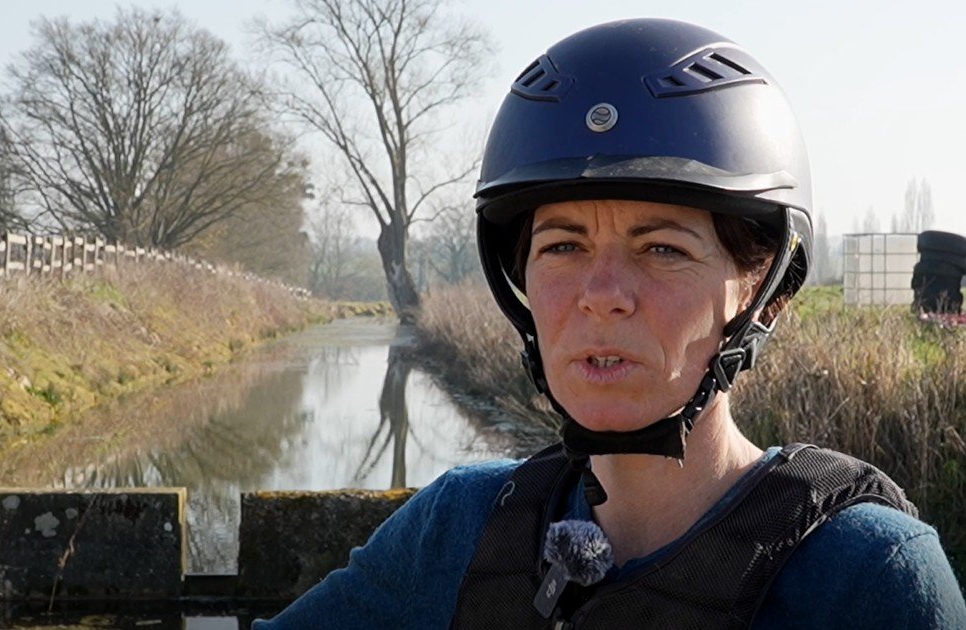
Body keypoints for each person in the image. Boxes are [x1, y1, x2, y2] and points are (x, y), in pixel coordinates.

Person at [254, 18, 966, 629]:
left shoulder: (866, 576)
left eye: (662, 249)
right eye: (563, 247)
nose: (601, 296)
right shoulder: (457, 530)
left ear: (763, 293)